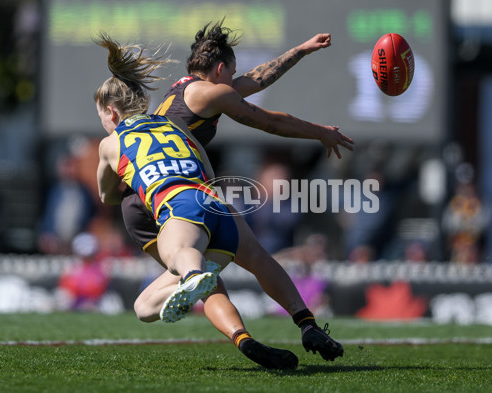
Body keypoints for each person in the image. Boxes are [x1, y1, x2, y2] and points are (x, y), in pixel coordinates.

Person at [125, 21, 350, 361]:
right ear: (220, 69)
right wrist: (321, 132)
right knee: (249, 258)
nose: (236, 81)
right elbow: (269, 121)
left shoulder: (183, 92)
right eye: (232, 73)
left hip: (143, 200)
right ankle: (305, 323)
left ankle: (245, 340)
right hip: (176, 197)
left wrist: (301, 50)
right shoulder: (210, 93)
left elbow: (257, 78)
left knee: (206, 276)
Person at [94, 33, 299, 370]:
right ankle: (230, 310)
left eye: (102, 116)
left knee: (180, 254)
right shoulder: (175, 126)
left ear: (112, 114)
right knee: (144, 308)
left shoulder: (111, 143)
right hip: (218, 215)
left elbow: (107, 195)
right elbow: (205, 167)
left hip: (180, 206)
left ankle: (192, 276)